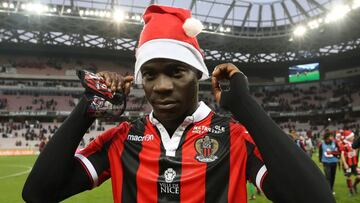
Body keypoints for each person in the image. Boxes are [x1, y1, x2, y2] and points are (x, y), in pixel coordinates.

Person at [22, 5, 334, 203]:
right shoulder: (121, 140)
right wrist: (90, 105)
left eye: (176, 72)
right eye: (149, 74)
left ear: (198, 75)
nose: (161, 87)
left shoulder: (233, 137)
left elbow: (316, 199)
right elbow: (37, 193)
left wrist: (246, 106)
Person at [340, 130, 360, 195]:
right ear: (348, 137)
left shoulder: (354, 143)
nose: (354, 137)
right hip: (348, 164)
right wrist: (345, 164)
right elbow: (342, 154)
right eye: (352, 136)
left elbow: (356, 152)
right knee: (349, 177)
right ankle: (350, 190)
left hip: (354, 164)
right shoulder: (343, 144)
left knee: (359, 177)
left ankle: (354, 185)